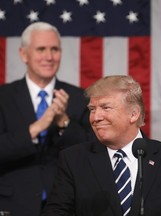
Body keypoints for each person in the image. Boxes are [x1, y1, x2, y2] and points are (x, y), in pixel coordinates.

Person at [41, 75, 161, 216]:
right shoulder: (74, 160)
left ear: (133, 114)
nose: (95, 117)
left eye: (106, 108)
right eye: (92, 109)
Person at [0, 22, 95, 216]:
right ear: (23, 54)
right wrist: (36, 128)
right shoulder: (3, 97)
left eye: (55, 49)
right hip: (13, 205)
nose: (49, 57)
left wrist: (64, 123)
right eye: (41, 49)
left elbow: (93, 151)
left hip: (66, 204)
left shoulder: (79, 98)